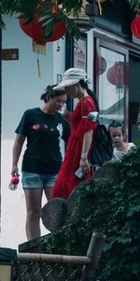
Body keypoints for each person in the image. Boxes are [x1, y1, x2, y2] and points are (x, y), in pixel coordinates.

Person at [11, 85, 67, 241]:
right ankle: (33, 248)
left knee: (56, 210)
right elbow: (19, 141)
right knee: (33, 211)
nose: (61, 105)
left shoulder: (60, 119)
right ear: (48, 98)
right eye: (58, 101)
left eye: (63, 102)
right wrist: (14, 164)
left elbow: (71, 139)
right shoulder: (30, 115)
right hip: (32, 169)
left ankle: (57, 244)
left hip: (54, 170)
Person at [50, 68, 98, 200]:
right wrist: (71, 118)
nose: (67, 91)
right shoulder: (84, 102)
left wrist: (83, 156)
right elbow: (82, 127)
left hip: (78, 149)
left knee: (66, 186)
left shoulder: (86, 102)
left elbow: (89, 130)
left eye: (68, 87)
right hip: (76, 147)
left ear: (76, 84)